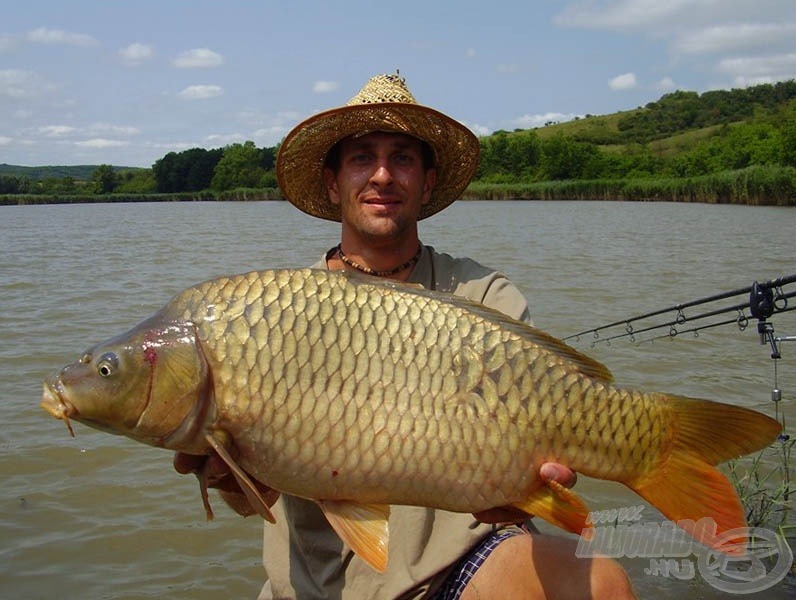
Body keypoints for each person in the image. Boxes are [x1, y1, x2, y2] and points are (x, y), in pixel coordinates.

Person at [176, 73, 636, 599]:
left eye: (402, 158)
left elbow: (542, 446)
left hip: (465, 563)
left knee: (601, 582)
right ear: (332, 183)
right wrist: (229, 478)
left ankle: (650, 450)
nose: (382, 175)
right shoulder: (271, 316)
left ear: (427, 180)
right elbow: (249, 499)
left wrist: (533, 487)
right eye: (361, 157)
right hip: (319, 582)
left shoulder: (484, 296)